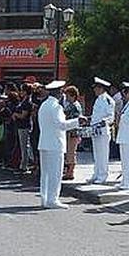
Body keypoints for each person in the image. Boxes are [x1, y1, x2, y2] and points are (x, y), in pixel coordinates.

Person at [37, 80, 83, 208]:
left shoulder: (44, 105)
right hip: (55, 144)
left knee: (45, 173)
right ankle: (53, 200)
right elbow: (61, 125)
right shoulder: (56, 107)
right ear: (58, 93)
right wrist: (77, 121)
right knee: (55, 173)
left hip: (44, 143)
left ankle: (44, 198)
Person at [87, 77, 115, 185]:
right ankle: (96, 173)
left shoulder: (108, 100)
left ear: (101, 88)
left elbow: (111, 117)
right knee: (96, 154)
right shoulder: (98, 99)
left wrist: (104, 121)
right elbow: (96, 115)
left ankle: (103, 175)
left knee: (103, 154)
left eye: (96, 88)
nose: (95, 90)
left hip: (103, 130)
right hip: (95, 130)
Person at [62, 85, 83, 181]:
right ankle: (68, 171)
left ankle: (70, 172)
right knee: (69, 152)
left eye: (68, 96)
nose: (66, 98)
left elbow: (66, 115)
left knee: (71, 152)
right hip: (70, 131)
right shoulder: (73, 104)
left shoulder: (74, 106)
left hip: (73, 132)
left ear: (73, 95)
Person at [14, 84, 35, 173]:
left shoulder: (27, 102)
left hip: (24, 126)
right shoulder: (23, 101)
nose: (20, 92)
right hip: (20, 126)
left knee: (24, 146)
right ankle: (23, 164)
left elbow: (23, 115)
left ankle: (24, 165)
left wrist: (15, 115)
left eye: (22, 90)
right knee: (22, 146)